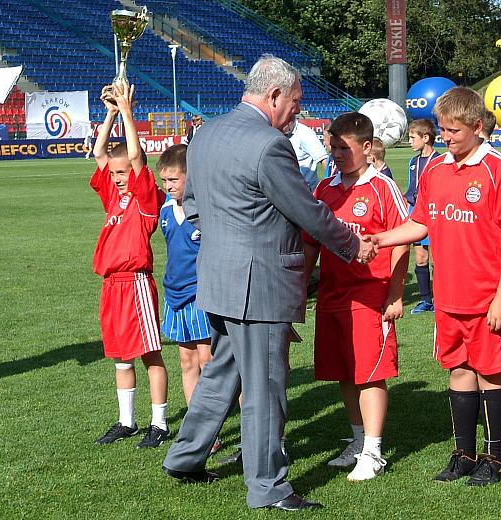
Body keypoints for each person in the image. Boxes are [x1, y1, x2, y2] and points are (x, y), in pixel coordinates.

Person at [161, 55, 375, 512]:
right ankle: (268, 487)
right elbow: (307, 211)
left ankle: (184, 457)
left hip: (218, 279)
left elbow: (193, 205)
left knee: (222, 374)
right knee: (265, 389)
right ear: (274, 94)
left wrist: (225, 240)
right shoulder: (269, 145)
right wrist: (352, 245)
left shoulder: (207, 134)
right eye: (295, 102)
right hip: (258, 287)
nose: (298, 111)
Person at [370, 87, 501, 486]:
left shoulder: (496, 169)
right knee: (458, 370)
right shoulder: (435, 170)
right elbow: (423, 222)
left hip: (488, 295)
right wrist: (381, 239)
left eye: (454, 130)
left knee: (491, 373)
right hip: (449, 295)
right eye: (442, 129)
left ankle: (495, 456)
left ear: (476, 127)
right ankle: (464, 453)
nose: (447, 136)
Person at [304, 112, 409, 481]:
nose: (336, 154)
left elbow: (402, 240)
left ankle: (374, 451)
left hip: (369, 296)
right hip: (332, 295)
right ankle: (358, 440)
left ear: (367, 148)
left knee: (369, 374)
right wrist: (301, 289)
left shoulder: (382, 188)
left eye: (343, 148)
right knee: (345, 374)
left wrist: (395, 293)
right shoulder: (324, 189)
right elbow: (311, 243)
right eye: (332, 147)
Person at [90, 83, 169, 449]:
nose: (118, 177)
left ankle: (160, 422)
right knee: (121, 356)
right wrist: (108, 113)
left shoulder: (145, 199)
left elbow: (135, 158)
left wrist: (126, 111)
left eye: (123, 173)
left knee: (150, 353)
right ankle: (127, 421)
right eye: (116, 174)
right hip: (112, 285)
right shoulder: (114, 199)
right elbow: (98, 153)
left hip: (135, 282)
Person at [157, 144, 213, 406]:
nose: (168, 186)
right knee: (187, 361)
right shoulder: (166, 211)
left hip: (201, 294)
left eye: (173, 179)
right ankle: (196, 426)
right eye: (164, 180)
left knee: (209, 361)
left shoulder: (206, 210)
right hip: (175, 295)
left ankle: (217, 423)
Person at [405, 118, 440, 315]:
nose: (410, 141)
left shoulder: (439, 160)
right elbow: (412, 188)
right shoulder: (413, 161)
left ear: (425, 137)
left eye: (412, 137)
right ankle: (425, 300)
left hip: (433, 213)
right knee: (420, 257)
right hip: (416, 212)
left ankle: (439, 298)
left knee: (437, 259)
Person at [287, 119, 329, 191]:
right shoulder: (275, 132)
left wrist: (332, 189)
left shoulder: (304, 133)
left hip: (306, 192)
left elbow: (324, 160)